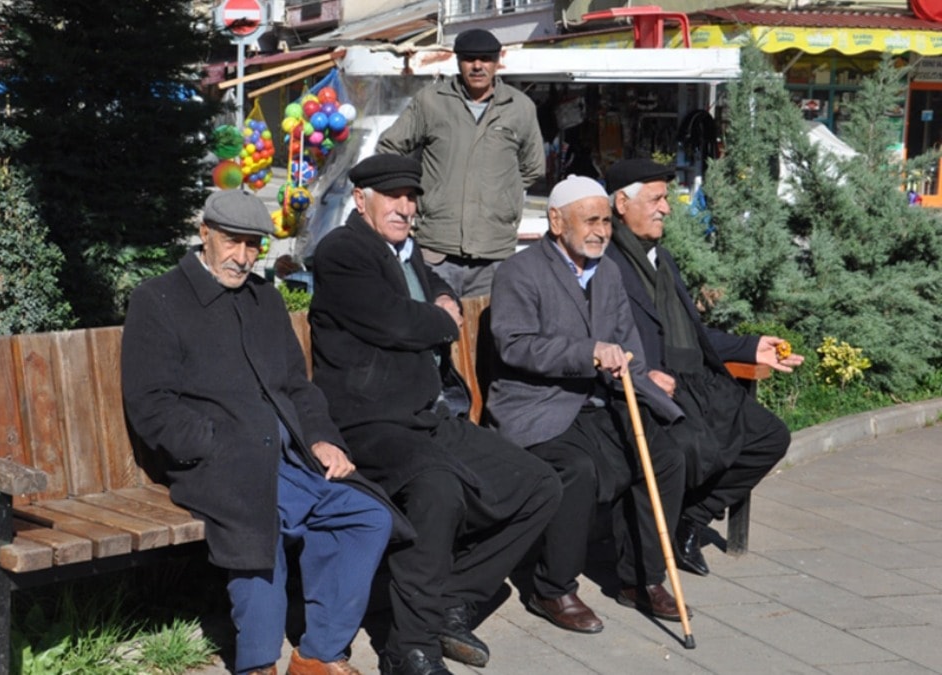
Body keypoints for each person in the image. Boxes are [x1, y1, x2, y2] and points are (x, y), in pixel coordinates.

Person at [122, 190, 407, 675]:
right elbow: (151, 408)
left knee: (368, 516)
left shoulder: (264, 299)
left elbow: (297, 385)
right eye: (233, 242)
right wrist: (215, 445)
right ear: (204, 233)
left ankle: (318, 654)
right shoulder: (159, 299)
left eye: (254, 245)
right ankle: (257, 664)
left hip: (290, 456)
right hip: (216, 463)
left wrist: (322, 438)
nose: (244, 257)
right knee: (258, 522)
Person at [310, 155, 560, 675]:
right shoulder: (343, 251)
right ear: (362, 199)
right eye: (393, 197)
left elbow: (432, 292)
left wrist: (442, 297)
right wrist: (442, 319)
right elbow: (395, 322)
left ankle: (450, 601)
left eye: (411, 197)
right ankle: (410, 647)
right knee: (437, 489)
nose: (405, 207)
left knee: (538, 484)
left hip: (428, 416)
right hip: (368, 423)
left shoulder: (406, 252)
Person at [484, 175, 687, 635]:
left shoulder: (609, 272)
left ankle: (641, 578)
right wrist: (588, 352)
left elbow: (627, 344)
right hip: (538, 405)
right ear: (557, 221)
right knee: (577, 469)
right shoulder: (520, 272)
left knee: (666, 455)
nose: (600, 230)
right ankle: (552, 588)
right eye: (589, 220)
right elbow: (514, 346)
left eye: (606, 222)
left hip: (597, 400)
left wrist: (650, 392)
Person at [603, 158, 801, 577]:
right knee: (694, 449)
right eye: (656, 198)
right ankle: (655, 545)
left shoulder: (662, 258)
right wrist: (642, 377)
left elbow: (691, 332)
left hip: (695, 377)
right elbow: (602, 338)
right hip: (654, 385)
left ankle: (691, 518)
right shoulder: (605, 265)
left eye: (666, 199)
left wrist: (750, 348)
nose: (666, 208)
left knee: (770, 437)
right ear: (622, 202)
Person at [376, 28, 546, 298]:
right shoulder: (432, 101)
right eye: (469, 59)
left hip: (494, 252)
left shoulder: (520, 107)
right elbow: (389, 147)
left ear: (497, 61)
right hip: (437, 248)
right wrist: (417, 193)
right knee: (434, 329)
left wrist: (502, 195)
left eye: (485, 59)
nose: (478, 66)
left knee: (489, 333)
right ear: (457, 61)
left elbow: (533, 167)